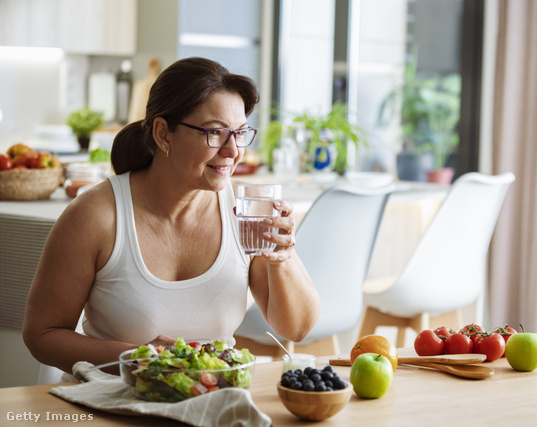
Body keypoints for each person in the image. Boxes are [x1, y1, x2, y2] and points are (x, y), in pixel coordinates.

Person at [23, 57, 321, 375]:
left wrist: (282, 259)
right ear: (163, 133)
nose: (233, 151)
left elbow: (297, 330)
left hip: (215, 401)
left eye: (241, 133)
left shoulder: (248, 209)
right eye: (216, 133)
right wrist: (137, 358)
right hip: (112, 402)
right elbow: (42, 336)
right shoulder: (95, 217)